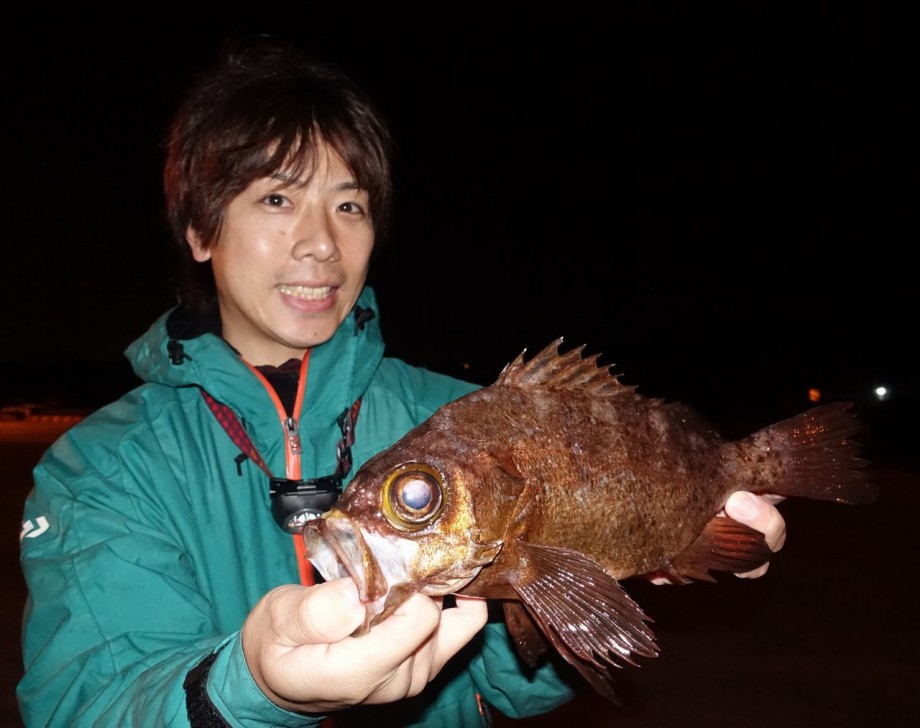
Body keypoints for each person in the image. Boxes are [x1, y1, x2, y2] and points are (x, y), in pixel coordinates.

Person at [17, 36, 787, 727]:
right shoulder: (98, 471)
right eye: (277, 199)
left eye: (349, 205)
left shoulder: (462, 418)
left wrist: (624, 557)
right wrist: (248, 687)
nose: (320, 243)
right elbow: (85, 703)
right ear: (198, 229)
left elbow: (507, 687)